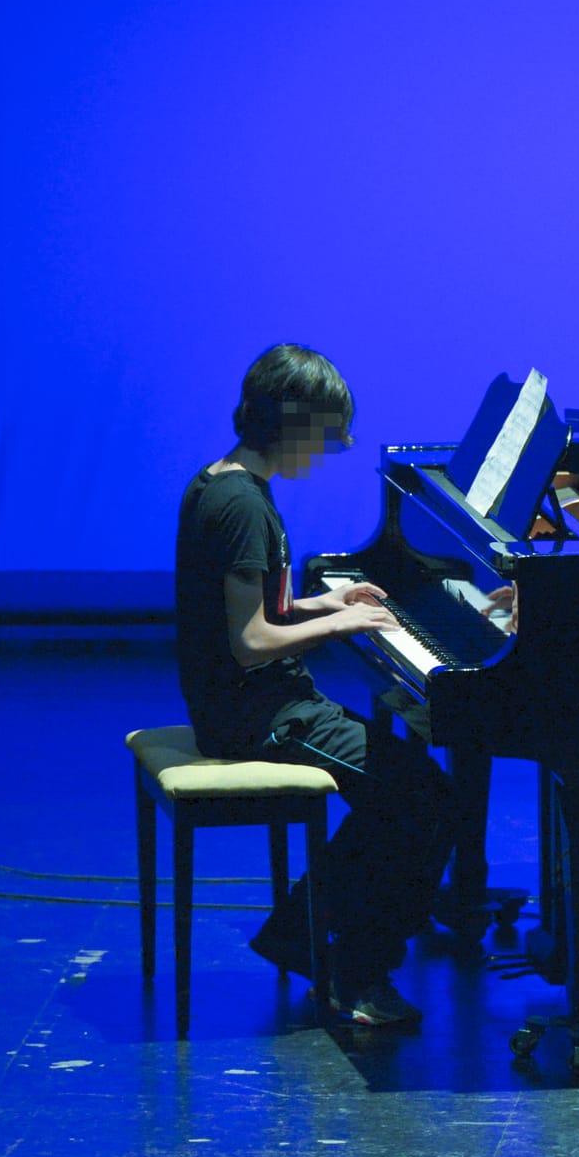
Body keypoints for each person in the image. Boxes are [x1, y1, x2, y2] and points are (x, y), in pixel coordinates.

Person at [174, 343, 452, 1026]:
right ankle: (356, 969)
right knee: (423, 797)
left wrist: (321, 605)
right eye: (329, 433)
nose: (335, 448)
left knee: (406, 788)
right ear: (292, 422)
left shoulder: (223, 481)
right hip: (256, 714)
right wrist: (338, 625)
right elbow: (249, 644)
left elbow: (251, 612)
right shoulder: (242, 507)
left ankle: (302, 934)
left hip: (253, 701)